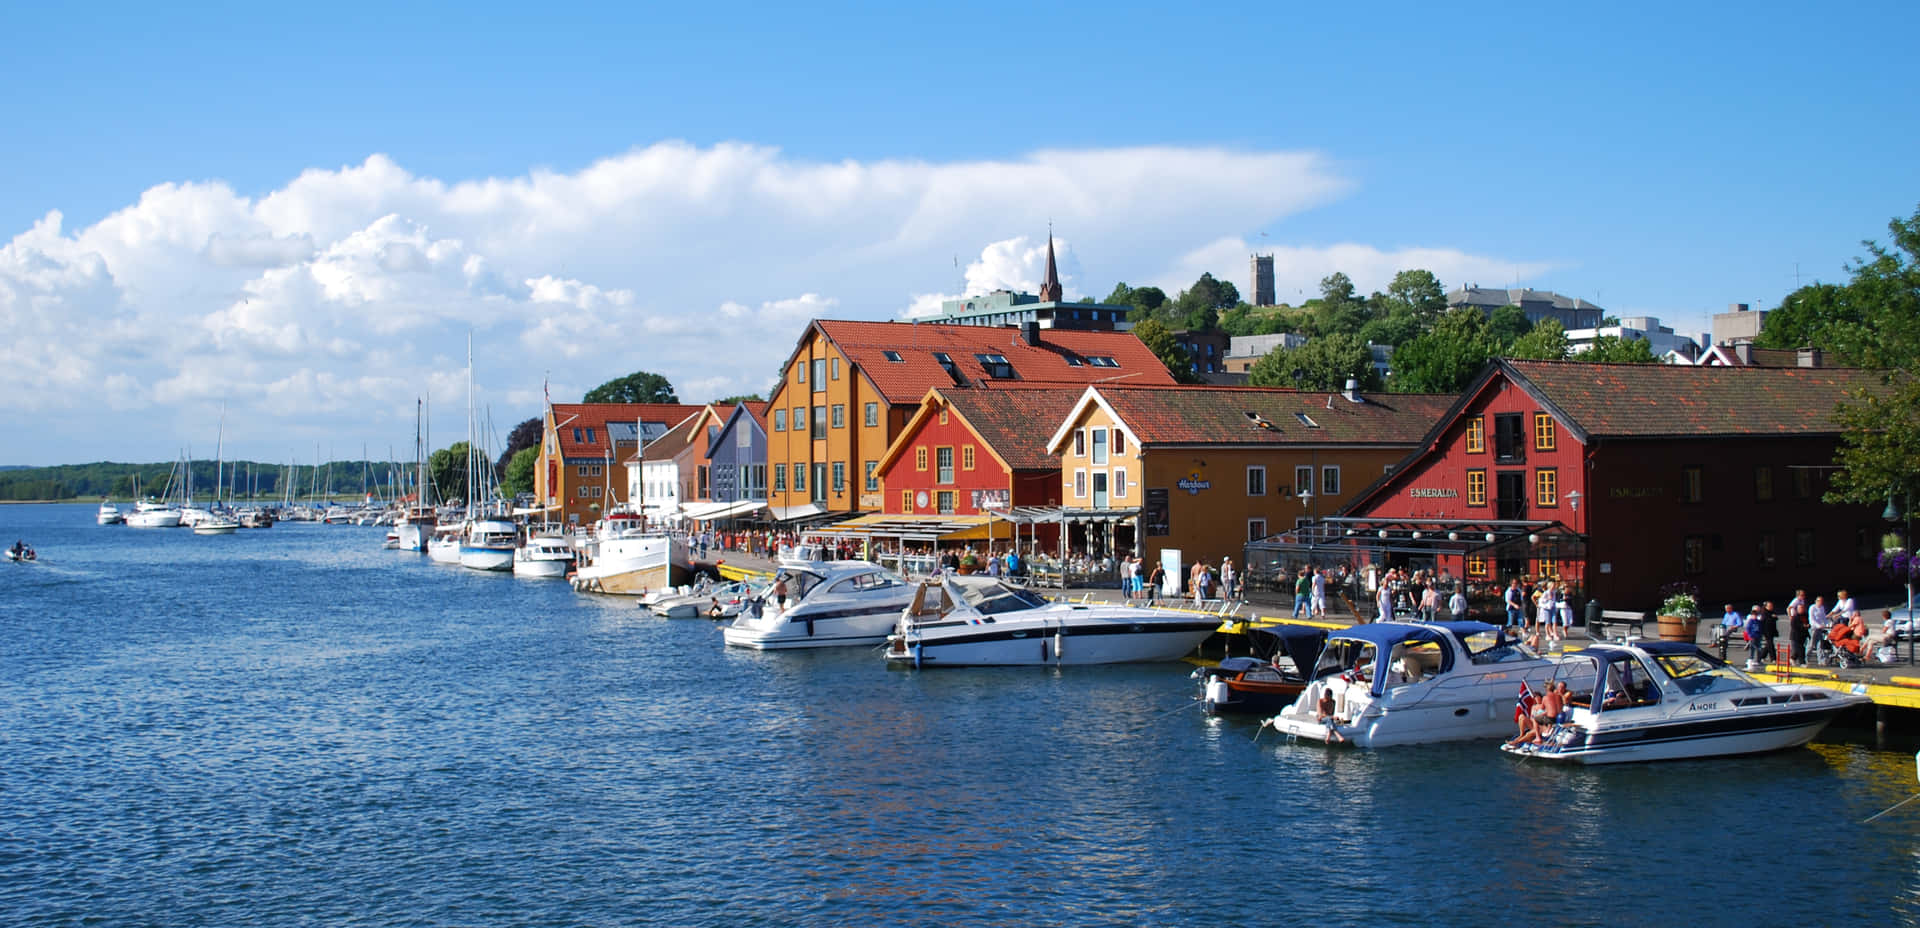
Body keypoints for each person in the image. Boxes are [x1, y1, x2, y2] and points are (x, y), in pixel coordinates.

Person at [1787, 590, 1810, 664]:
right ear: (1798, 595)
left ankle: (1793, 657)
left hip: (1801, 617)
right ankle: (1801, 662)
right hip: (1796, 618)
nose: (1803, 596)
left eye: (1804, 595)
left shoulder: (1802, 601)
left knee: (1800, 645)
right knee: (1799, 646)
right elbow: (1789, 608)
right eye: (1802, 595)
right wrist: (1790, 616)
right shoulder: (1796, 601)